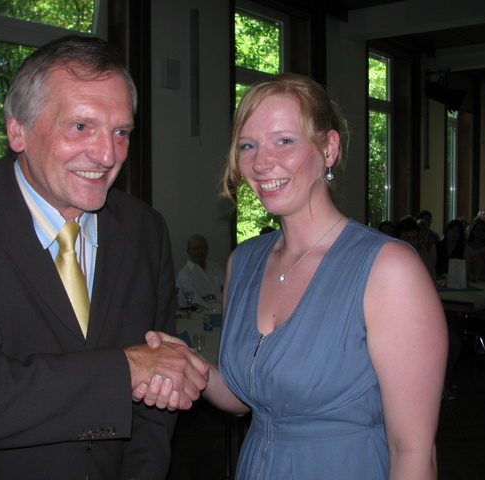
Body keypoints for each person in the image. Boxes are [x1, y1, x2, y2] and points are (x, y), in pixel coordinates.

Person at [0, 35, 208, 480]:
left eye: (121, 132)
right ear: (17, 130)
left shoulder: (145, 229)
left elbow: (156, 407)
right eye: (80, 126)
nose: (107, 155)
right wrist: (128, 368)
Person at [139, 73, 448, 479]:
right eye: (247, 145)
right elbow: (246, 397)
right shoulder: (243, 262)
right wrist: (189, 364)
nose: (260, 162)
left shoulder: (389, 268)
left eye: (284, 140)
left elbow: (413, 452)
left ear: (329, 148)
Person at [176, 234, 225, 308]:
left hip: (221, 313)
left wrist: (213, 297)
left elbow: (230, 293)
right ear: (188, 252)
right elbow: (197, 304)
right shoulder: (184, 275)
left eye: (202, 247)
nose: (199, 252)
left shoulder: (216, 267)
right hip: (195, 315)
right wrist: (221, 296)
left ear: (207, 249)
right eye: (195, 249)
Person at [393, 217, 436, 282]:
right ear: (397, 240)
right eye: (407, 239)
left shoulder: (424, 258)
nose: (412, 242)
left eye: (415, 238)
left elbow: (432, 282)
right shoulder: (390, 259)